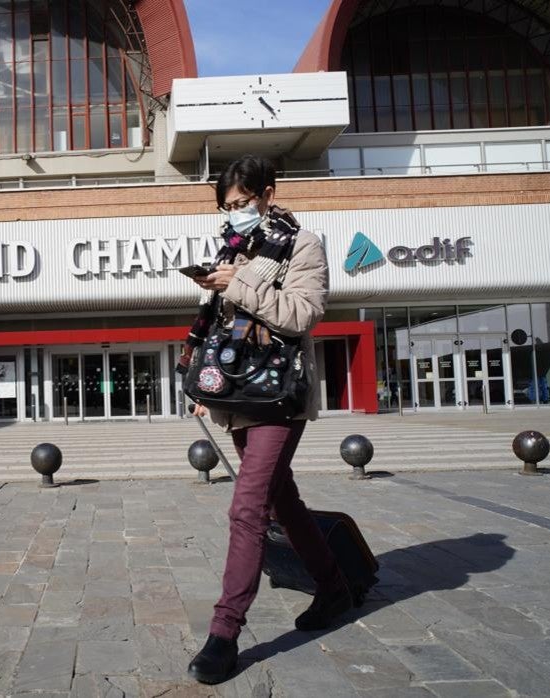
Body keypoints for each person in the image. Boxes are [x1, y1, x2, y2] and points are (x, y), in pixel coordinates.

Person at [183, 155, 349, 685]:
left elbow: (302, 313)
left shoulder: (303, 243)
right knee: (282, 499)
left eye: (242, 203)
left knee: (248, 506)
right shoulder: (231, 249)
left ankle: (224, 632)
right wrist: (205, 383)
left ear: (267, 194)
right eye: (227, 208)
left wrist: (235, 286)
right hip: (236, 395)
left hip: (278, 394)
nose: (235, 215)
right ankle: (334, 586)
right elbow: (218, 327)